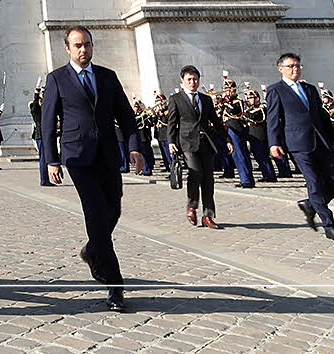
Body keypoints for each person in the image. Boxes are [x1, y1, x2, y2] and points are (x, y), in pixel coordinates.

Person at [40, 26, 144, 312]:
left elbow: (125, 115)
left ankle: (90, 250)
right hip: (77, 156)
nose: (83, 50)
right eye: (77, 45)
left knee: (114, 209)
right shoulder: (57, 78)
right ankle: (115, 283)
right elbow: (48, 123)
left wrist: (135, 147)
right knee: (96, 214)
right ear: (67, 48)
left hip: (108, 154)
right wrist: (51, 160)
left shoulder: (108, 76)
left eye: (86, 44)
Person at [266, 53, 334, 243]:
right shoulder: (276, 90)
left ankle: (311, 205)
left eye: (297, 65)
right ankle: (329, 226)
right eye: (290, 66)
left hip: (320, 141)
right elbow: (272, 119)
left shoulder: (310, 89)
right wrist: (274, 143)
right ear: (280, 69)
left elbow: (321, 116)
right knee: (313, 182)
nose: (295, 69)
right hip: (297, 143)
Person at [167, 66, 227, 229]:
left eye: (195, 79)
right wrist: (171, 141)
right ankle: (192, 206)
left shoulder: (206, 99)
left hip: (206, 143)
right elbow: (172, 122)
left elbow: (215, 121)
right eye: (189, 80)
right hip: (187, 142)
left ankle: (208, 215)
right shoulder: (175, 99)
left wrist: (226, 139)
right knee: (195, 173)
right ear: (183, 81)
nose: (193, 82)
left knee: (208, 179)